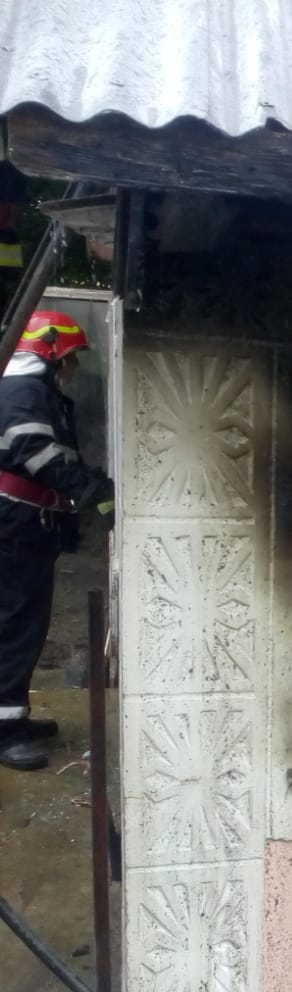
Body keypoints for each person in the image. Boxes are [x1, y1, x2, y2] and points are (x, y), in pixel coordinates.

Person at [0, 310, 111, 771]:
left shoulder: (35, 391)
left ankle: (14, 717)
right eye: (71, 356)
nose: (74, 366)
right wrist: (88, 491)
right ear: (49, 351)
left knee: (24, 622)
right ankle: (5, 732)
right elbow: (35, 453)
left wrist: (92, 485)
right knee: (13, 623)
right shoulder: (22, 390)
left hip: (25, 526)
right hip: (14, 526)